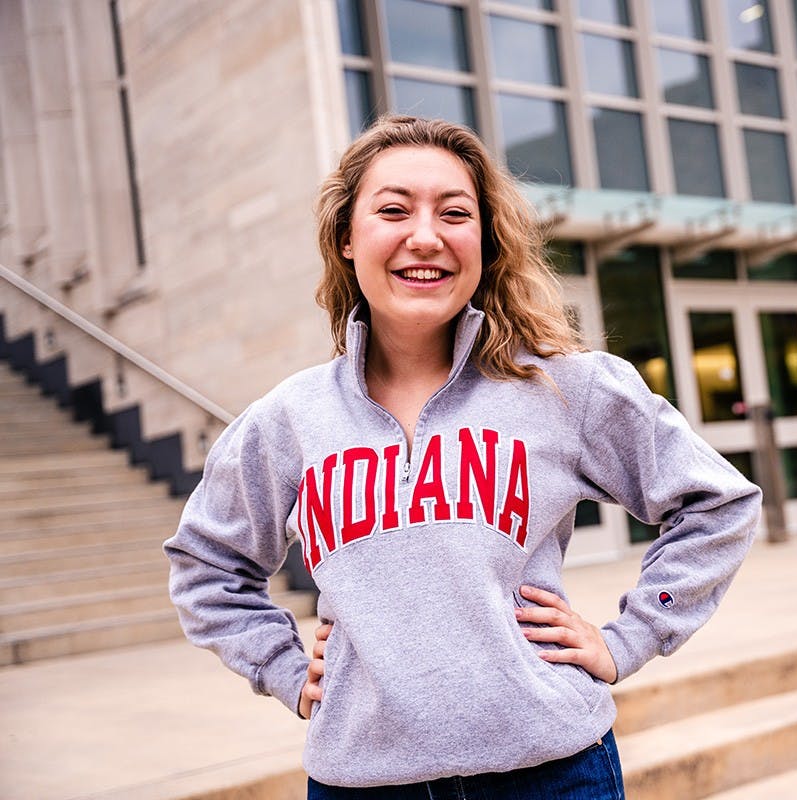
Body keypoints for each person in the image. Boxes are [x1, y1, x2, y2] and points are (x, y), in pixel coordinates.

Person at [164, 115, 761, 799]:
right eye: (393, 210)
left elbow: (719, 503)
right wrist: (281, 666)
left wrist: (630, 637)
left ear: (485, 242)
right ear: (347, 239)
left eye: (455, 213)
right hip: (361, 783)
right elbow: (206, 565)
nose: (426, 236)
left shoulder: (568, 388)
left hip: (552, 776)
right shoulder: (288, 421)